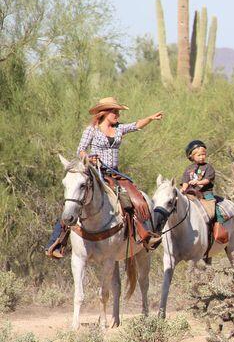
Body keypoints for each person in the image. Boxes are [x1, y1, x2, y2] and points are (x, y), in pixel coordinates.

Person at [45, 97, 163, 258]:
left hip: (115, 174)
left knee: (136, 199)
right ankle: (57, 242)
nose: (117, 115)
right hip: (95, 173)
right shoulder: (91, 130)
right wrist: (89, 157)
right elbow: (80, 149)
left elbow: (135, 125)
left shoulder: (119, 129)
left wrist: (149, 119)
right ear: (104, 113)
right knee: (73, 200)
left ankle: (144, 235)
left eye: (118, 112)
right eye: (114, 112)